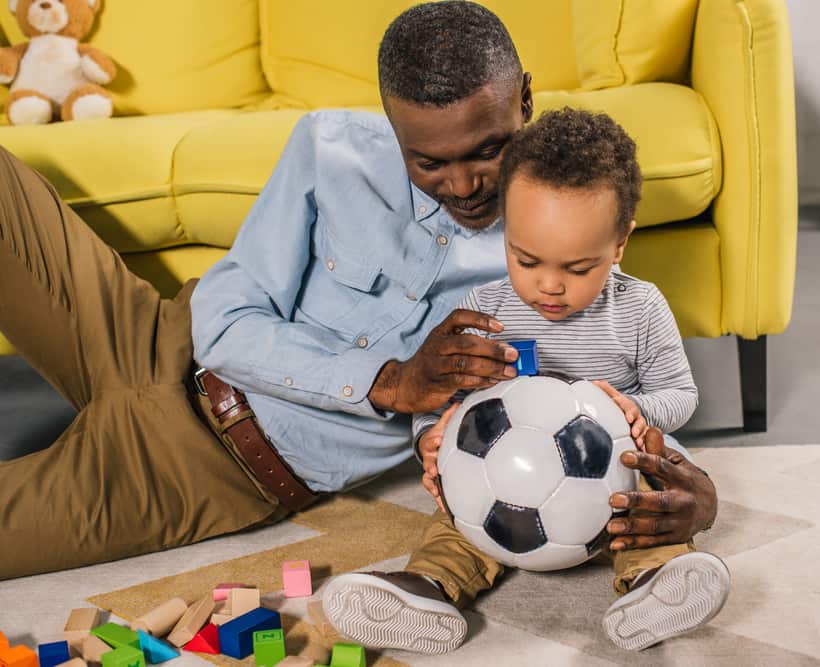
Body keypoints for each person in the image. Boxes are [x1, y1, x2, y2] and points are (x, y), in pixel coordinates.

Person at [0, 2, 716, 582]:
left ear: (522, 99)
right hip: (152, 331)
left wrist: (696, 499)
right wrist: (390, 380)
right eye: (428, 161)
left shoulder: (550, 253)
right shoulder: (329, 147)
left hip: (203, 465)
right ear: (391, 122)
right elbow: (225, 316)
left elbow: (597, 404)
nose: (462, 184)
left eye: (486, 150)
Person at [320, 109, 729, 653]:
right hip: (503, 482)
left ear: (621, 242)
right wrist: (430, 438)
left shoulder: (639, 308)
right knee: (455, 518)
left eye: (579, 268)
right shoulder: (483, 310)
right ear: (505, 231)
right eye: (526, 259)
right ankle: (426, 588)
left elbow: (681, 395)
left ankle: (655, 582)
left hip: (616, 483)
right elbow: (438, 400)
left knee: (652, 511)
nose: (550, 286)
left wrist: (634, 411)